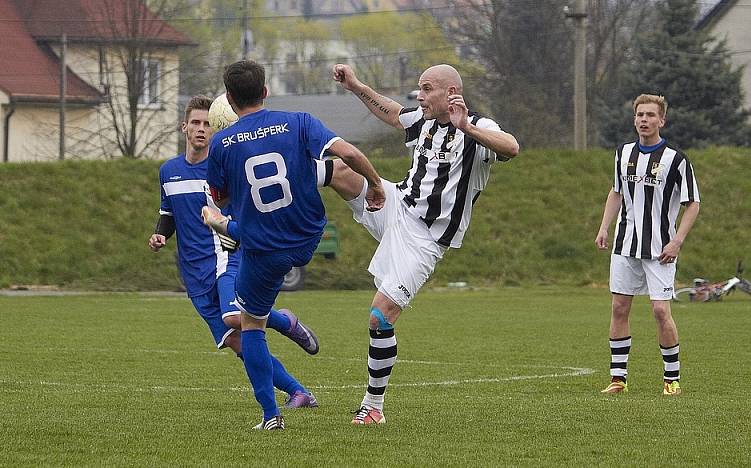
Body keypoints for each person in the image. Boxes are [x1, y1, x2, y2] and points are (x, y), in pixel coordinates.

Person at [330, 63, 519, 425]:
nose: (420, 95)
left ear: (451, 93)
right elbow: (393, 113)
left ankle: (373, 407)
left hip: (426, 240)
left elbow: (511, 148)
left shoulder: (478, 127)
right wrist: (355, 85)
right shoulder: (422, 120)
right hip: (396, 206)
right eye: (419, 88)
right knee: (338, 171)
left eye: (427, 88)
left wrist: (467, 127)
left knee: (379, 317)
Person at [206, 60, 385, 431]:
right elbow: (349, 154)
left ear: (229, 101)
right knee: (323, 171)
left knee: (250, 323)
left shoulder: (222, 143)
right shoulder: (300, 121)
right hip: (308, 237)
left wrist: (222, 213)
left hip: (264, 250)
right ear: (266, 91)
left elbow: (220, 197)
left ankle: (271, 416)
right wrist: (377, 185)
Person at [148, 95, 321, 412]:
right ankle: (299, 392)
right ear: (184, 127)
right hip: (194, 273)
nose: (201, 129)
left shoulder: (224, 166)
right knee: (237, 341)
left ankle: (284, 322)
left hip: (226, 257)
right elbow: (168, 213)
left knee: (235, 317)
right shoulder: (168, 170)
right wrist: (160, 233)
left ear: (216, 129)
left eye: (207, 124)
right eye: (196, 123)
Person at [594, 93, 701, 397]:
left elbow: (693, 203)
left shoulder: (676, 159)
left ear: (662, 120)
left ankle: (671, 380)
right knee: (618, 307)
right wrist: (604, 227)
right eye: (640, 115)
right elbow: (616, 192)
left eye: (651, 115)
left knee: (660, 311)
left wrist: (677, 240)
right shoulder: (623, 153)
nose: (644, 120)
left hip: (660, 250)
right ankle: (618, 379)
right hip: (625, 245)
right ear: (634, 119)